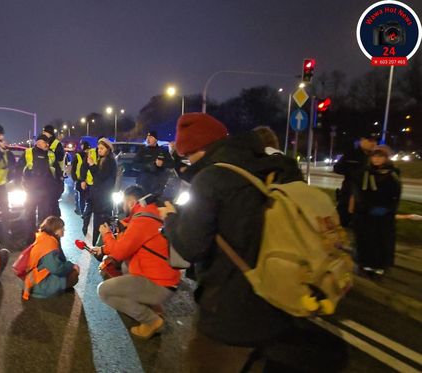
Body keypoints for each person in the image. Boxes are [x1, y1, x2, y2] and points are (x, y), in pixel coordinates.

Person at [160, 113, 346, 371]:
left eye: (188, 155)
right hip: (278, 299)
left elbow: (190, 247)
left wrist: (170, 221)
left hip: (229, 310)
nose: (188, 161)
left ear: (199, 149)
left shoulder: (211, 179)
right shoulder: (274, 166)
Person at [93, 185, 180, 339]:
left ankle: (152, 321)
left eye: (124, 203)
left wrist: (106, 234)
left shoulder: (142, 220)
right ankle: (152, 306)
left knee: (104, 291)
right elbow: (126, 244)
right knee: (127, 265)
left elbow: (119, 252)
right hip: (167, 278)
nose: (122, 206)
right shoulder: (151, 214)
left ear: (131, 202)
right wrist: (103, 249)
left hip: (160, 284)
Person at [351, 145, 401, 278]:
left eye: (381, 156)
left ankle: (380, 266)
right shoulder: (363, 173)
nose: (377, 159)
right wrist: (364, 207)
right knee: (366, 240)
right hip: (366, 214)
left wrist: (388, 209)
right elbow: (358, 192)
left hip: (384, 216)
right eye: (374, 156)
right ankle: (365, 264)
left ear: (386, 158)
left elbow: (395, 195)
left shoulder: (392, 174)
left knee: (382, 241)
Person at [22, 216, 79, 300]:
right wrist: (71, 266)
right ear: (55, 231)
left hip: (33, 279)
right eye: (62, 228)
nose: (64, 230)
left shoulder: (43, 238)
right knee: (74, 275)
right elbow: (56, 269)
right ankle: (54, 290)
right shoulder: (49, 246)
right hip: (39, 285)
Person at [333, 132, 377, 227]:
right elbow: (337, 168)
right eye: (370, 140)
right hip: (349, 192)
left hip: (367, 194)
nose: (373, 143)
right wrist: (353, 172)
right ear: (362, 141)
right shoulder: (351, 154)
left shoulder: (376, 157)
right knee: (343, 220)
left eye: (375, 141)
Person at [19, 135, 56, 239]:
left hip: (45, 192)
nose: (47, 144)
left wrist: (56, 189)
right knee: (29, 217)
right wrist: (22, 186)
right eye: (45, 142)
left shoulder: (50, 155)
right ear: (39, 142)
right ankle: (30, 241)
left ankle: (42, 240)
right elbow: (18, 170)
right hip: (31, 192)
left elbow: (56, 173)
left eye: (48, 142)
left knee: (44, 218)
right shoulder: (28, 153)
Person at [82, 137, 117, 244]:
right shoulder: (102, 159)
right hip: (97, 196)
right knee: (92, 219)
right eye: (99, 148)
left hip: (103, 198)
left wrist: (92, 165)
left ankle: (100, 245)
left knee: (101, 222)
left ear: (108, 149)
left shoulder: (109, 161)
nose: (99, 150)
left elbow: (101, 176)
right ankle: (96, 242)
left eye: (102, 148)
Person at [133, 130, 174, 195]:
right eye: (147, 137)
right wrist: (148, 166)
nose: (148, 139)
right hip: (144, 185)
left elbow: (172, 164)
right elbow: (134, 165)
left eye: (151, 137)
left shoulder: (163, 151)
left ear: (156, 139)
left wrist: (162, 164)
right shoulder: (142, 151)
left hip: (159, 186)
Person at [42, 125, 65, 217]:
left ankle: (55, 222)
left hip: (55, 176)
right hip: (46, 177)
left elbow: (59, 158)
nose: (43, 134)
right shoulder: (44, 143)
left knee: (53, 203)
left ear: (50, 133)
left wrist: (50, 151)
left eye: (45, 132)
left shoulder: (56, 144)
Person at [71, 141, 91, 215]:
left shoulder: (79, 155)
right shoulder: (88, 154)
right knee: (84, 197)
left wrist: (75, 179)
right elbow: (74, 168)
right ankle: (84, 212)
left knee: (81, 197)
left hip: (81, 179)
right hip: (85, 179)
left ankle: (82, 212)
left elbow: (73, 168)